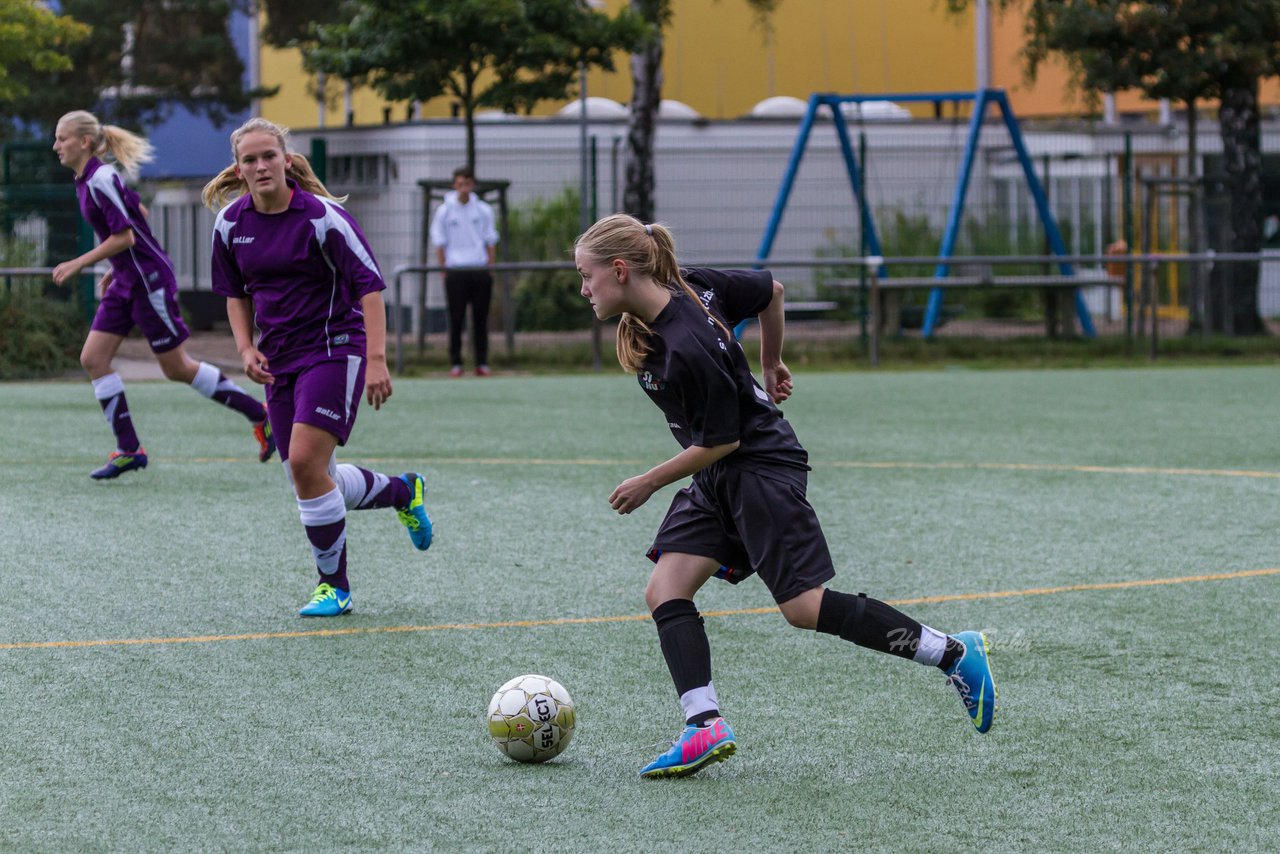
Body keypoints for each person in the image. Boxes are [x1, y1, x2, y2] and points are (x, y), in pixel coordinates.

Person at [574, 213, 998, 779]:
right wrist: (771, 360)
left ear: (620, 270)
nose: (584, 289)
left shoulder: (688, 341)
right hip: (723, 473)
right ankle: (703, 727)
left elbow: (723, 439)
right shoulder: (686, 282)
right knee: (665, 589)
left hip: (759, 468)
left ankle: (952, 653)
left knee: (804, 608)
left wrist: (651, 480)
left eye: (587, 276)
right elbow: (770, 291)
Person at [202, 118, 434, 617]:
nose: (261, 166)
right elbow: (235, 296)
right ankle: (402, 490)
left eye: (269, 156)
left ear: (286, 161)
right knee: (310, 476)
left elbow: (369, 287)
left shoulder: (323, 217)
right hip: (279, 360)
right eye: (250, 159)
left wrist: (376, 360)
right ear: (238, 169)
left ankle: (335, 587)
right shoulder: (230, 225)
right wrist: (245, 349)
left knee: (307, 465)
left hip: (336, 348)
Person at [50, 110, 274, 479]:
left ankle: (260, 415)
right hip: (128, 279)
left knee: (177, 368)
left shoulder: (101, 178)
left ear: (85, 142)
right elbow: (137, 210)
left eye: (62, 138)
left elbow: (127, 235)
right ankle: (129, 450)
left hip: (148, 282)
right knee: (93, 359)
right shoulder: (90, 178)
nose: (56, 145)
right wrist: (116, 267)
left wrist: (81, 263)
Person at [429, 166, 499, 377]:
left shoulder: (484, 210)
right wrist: (444, 269)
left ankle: (482, 363)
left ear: (473, 185)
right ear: (454, 185)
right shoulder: (444, 211)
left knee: (480, 319)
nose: (464, 188)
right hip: (455, 271)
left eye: (467, 184)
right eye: (460, 184)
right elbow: (439, 242)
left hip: (479, 269)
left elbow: (490, 241)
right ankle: (456, 363)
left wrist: (490, 268)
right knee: (456, 318)